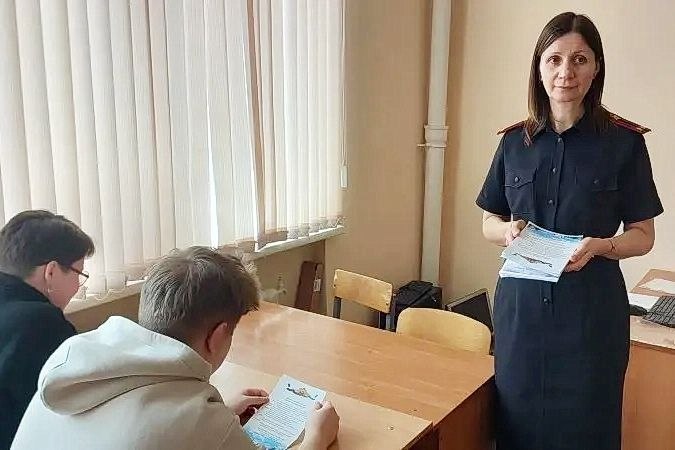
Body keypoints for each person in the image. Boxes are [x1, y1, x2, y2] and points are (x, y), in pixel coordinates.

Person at [476, 12, 662, 450]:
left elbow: (643, 235)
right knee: (517, 430)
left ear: (596, 68)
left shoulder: (624, 143)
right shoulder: (514, 142)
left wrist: (603, 245)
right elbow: (488, 222)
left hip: (590, 319)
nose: (566, 72)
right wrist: (507, 231)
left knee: (587, 433)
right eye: (554, 59)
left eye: (580, 59)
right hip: (522, 316)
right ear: (539, 68)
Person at [12, 247, 339, 449]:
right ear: (217, 336)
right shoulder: (198, 419)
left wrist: (221, 416)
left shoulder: (72, 359)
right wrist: (316, 438)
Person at [0, 210, 94, 449]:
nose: (78, 285)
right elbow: (72, 414)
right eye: (79, 273)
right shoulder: (43, 324)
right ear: (50, 272)